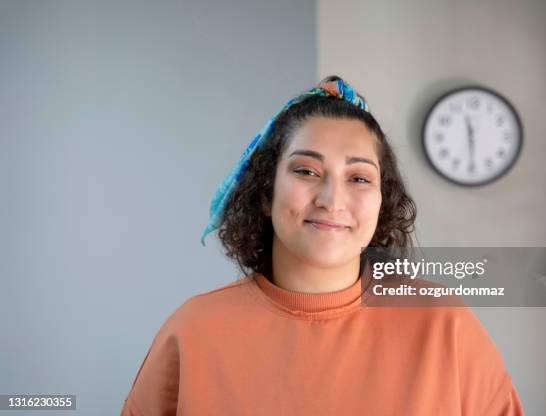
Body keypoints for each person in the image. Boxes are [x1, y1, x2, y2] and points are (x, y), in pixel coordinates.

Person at [120, 76, 524, 415]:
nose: (332, 198)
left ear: (383, 201)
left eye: (359, 178)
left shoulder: (443, 325)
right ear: (265, 193)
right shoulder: (194, 331)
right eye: (306, 171)